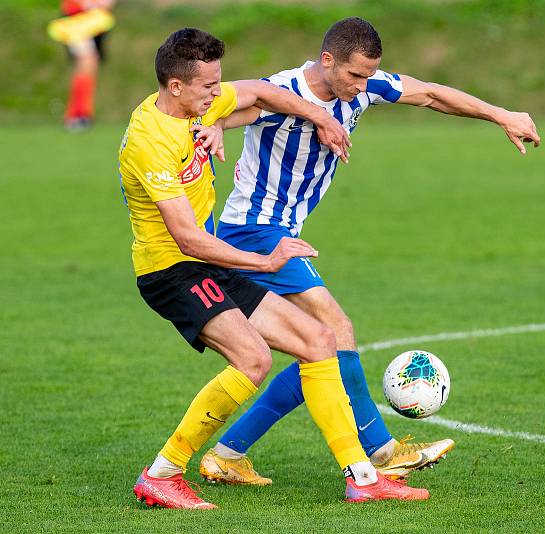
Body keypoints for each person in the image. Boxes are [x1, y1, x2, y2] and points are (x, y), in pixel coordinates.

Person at [196, 17, 541, 485]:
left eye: (368, 76)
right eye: (355, 75)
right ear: (328, 60)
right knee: (336, 329)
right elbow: (231, 101)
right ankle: (382, 450)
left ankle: (228, 454)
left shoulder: (362, 88)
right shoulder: (283, 91)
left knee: (316, 352)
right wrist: (213, 123)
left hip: (281, 232)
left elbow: (433, 94)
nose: (362, 87)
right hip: (252, 231)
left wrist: (502, 114)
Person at [119, 27, 430, 509]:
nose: (217, 95)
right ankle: (162, 473)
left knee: (319, 340)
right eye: (208, 88)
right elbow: (187, 237)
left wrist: (321, 119)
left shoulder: (198, 102)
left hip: (206, 262)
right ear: (176, 86)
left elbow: (264, 91)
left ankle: (364, 479)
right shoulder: (150, 141)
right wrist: (265, 261)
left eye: (218, 84)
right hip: (171, 270)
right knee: (254, 359)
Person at [58, 0, 116, 131]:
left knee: (91, 65)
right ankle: (75, 115)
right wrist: (89, 4)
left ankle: (82, 113)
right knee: (86, 62)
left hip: (95, 21)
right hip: (75, 21)